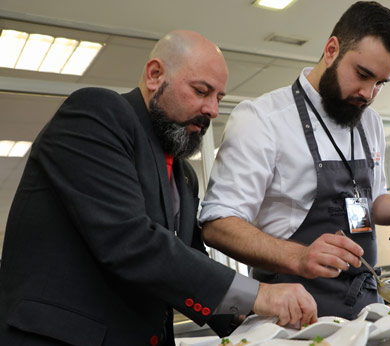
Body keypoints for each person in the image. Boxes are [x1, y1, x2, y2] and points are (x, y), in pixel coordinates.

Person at [0, 30, 316, 346]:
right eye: (201, 91)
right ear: (154, 75)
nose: (213, 110)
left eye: (218, 98)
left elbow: (188, 258)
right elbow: (130, 241)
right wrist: (256, 294)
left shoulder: (183, 175)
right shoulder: (97, 114)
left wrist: (257, 320)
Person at [201, 1, 390, 320]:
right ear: (331, 50)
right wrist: (299, 256)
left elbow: (370, 200)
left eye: (381, 83)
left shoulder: (370, 123)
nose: (368, 94)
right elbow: (217, 224)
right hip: (294, 318)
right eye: (363, 74)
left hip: (367, 309)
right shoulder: (261, 119)